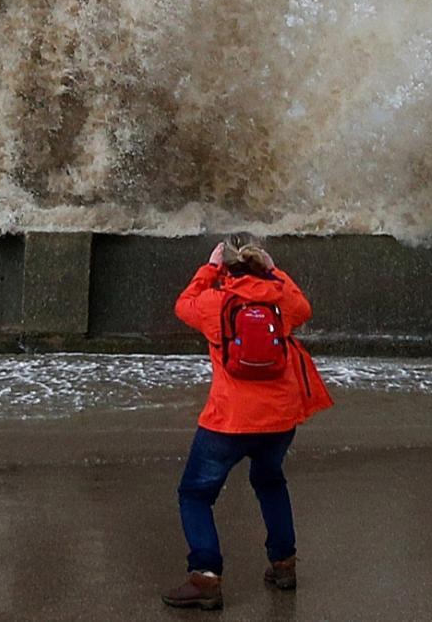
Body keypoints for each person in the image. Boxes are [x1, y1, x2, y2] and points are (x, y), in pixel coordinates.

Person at [161, 233, 333, 610]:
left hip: (228, 421)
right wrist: (276, 271)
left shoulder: (215, 303)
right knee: (270, 482)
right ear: (262, 266)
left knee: (195, 494)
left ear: (227, 268)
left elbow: (182, 304)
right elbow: (304, 307)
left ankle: (205, 578)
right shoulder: (282, 301)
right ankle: (283, 565)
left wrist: (208, 269)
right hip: (278, 420)